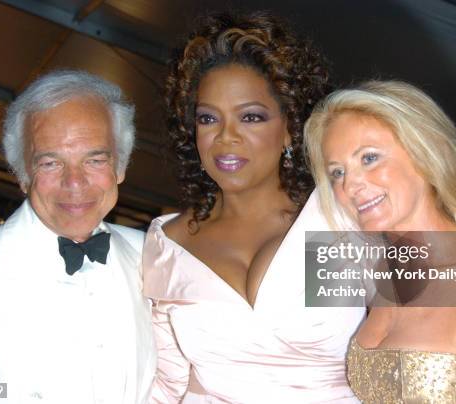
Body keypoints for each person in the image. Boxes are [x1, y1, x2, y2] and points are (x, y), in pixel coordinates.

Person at [143, 12, 365, 403]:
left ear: (290, 127)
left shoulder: (338, 220)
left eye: (250, 117)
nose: (226, 137)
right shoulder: (168, 243)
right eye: (208, 118)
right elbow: (167, 384)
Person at [304, 80, 456, 403]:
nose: (351, 185)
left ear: (425, 154)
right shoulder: (382, 276)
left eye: (369, 158)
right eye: (337, 173)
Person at [0, 70, 156, 403]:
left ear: (121, 167)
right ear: (22, 174)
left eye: (95, 159)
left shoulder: (154, 256)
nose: (75, 182)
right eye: (50, 163)